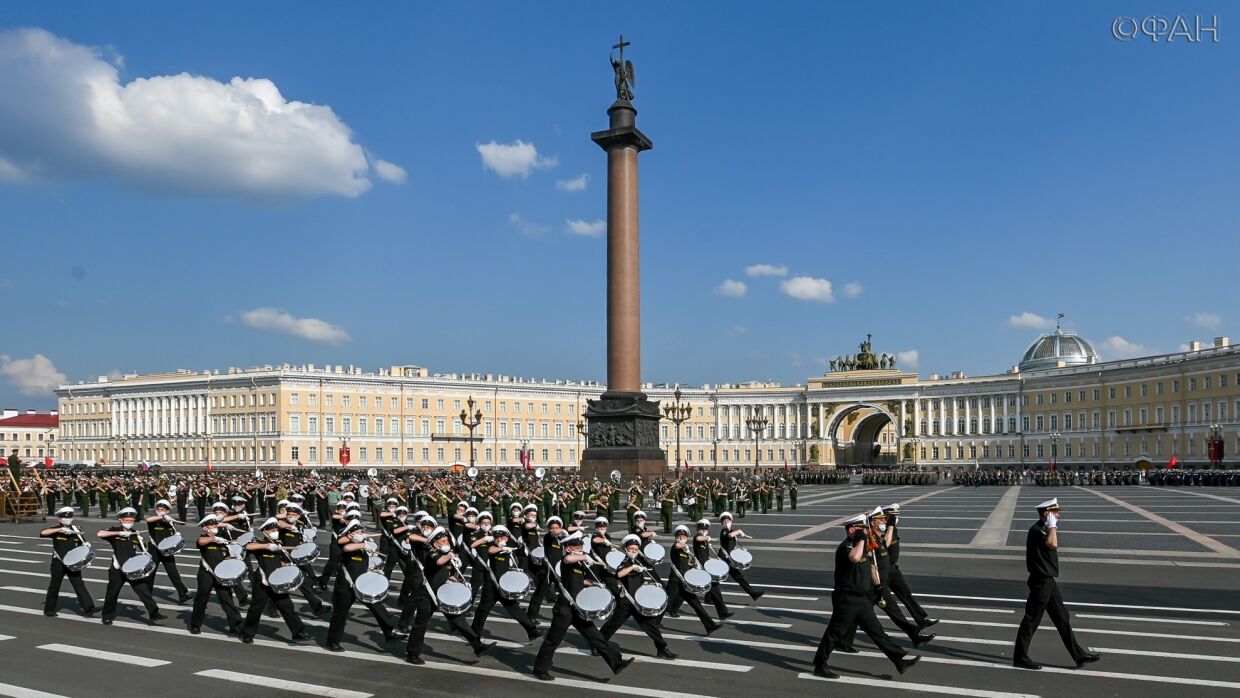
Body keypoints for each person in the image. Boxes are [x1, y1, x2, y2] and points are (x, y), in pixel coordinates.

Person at [812, 513, 919, 679]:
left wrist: (878, 587)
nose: (865, 531)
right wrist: (860, 540)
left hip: (861, 600)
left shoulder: (863, 546)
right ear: (852, 530)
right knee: (834, 633)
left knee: (877, 631)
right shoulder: (846, 547)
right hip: (846, 599)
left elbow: (871, 568)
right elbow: (854, 558)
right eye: (862, 529)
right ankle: (820, 664)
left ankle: (899, 660)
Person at [531, 531, 633, 681]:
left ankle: (616, 663)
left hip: (578, 608)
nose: (579, 548)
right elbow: (568, 559)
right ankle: (539, 669)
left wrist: (593, 583)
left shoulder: (578, 563)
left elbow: (579, 581)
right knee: (553, 640)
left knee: (596, 637)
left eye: (580, 546)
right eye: (576, 546)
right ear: (567, 548)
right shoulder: (566, 559)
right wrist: (584, 556)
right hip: (564, 609)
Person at [1013, 498, 1102, 670]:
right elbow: (1053, 544)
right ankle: (1020, 657)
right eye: (1055, 512)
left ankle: (1079, 656)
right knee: (1031, 620)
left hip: (1049, 582)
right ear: (1046, 513)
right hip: (1040, 582)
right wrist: (1052, 525)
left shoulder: (1045, 529)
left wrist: (1051, 525)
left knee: (1062, 618)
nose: (1059, 515)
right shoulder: (1037, 530)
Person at [325, 519, 403, 651]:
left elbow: (361, 566)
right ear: (349, 534)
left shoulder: (362, 547)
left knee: (377, 606)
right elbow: (346, 546)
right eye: (356, 532)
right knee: (340, 615)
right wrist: (362, 545)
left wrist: (372, 571)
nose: (360, 534)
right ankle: (332, 641)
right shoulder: (346, 545)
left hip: (361, 585)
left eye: (361, 532)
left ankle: (389, 633)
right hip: (345, 586)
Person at [238, 518, 314, 645]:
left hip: (278, 581)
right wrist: (267, 545)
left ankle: (298, 633)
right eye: (272, 530)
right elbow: (247, 546)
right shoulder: (260, 543)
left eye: (276, 530)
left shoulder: (280, 545)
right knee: (256, 609)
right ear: (265, 532)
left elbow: (286, 560)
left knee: (287, 607)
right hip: (262, 582)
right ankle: (247, 634)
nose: (275, 532)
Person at [421, 527, 495, 657]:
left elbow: (447, 574)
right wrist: (449, 554)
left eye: (447, 541)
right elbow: (438, 562)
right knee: (420, 624)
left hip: (443, 594)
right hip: (428, 594)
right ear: (435, 543)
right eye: (443, 541)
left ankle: (478, 646)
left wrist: (460, 582)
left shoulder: (447, 554)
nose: (447, 543)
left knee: (459, 620)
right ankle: (412, 653)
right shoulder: (432, 552)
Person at [600, 534, 676, 659]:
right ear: (625, 549)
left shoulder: (637, 561)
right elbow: (619, 574)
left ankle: (662, 649)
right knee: (613, 624)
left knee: (650, 625)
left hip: (638, 600)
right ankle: (598, 645)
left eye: (636, 549)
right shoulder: (624, 561)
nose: (633, 551)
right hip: (626, 600)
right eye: (631, 549)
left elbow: (641, 579)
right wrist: (632, 567)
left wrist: (652, 583)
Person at [471, 525, 542, 641]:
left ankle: (532, 631)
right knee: (482, 610)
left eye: (502, 537)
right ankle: (474, 635)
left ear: (507, 538)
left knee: (515, 610)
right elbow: (488, 550)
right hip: (491, 585)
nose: (499, 539)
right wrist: (499, 547)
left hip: (504, 585)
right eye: (497, 537)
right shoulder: (492, 546)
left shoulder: (509, 547)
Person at [96, 508, 165, 625]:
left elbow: (144, 549)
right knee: (112, 593)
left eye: (131, 519)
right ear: (120, 520)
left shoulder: (135, 533)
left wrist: (145, 549)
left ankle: (154, 613)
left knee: (143, 590)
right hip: (118, 567)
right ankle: (107, 616)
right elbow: (100, 533)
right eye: (126, 519)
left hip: (132, 568)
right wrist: (119, 533)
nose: (129, 521)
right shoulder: (115, 530)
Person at [881, 503, 936, 630]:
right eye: (893, 515)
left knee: (905, 594)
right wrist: (889, 526)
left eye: (897, 514)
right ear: (886, 515)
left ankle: (921, 619)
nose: (896, 517)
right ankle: (860, 621)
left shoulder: (893, 527)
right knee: (871, 599)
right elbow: (885, 545)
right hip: (882, 569)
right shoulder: (883, 529)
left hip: (892, 568)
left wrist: (892, 525)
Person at [188, 514, 243, 635]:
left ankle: (235, 625)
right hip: (206, 573)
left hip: (221, 574)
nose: (214, 526)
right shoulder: (203, 538)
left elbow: (227, 556)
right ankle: (195, 625)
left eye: (215, 524)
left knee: (227, 599)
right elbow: (201, 542)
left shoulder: (223, 539)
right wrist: (214, 538)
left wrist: (234, 556)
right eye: (211, 525)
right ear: (205, 528)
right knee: (201, 599)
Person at [41, 506, 98, 617]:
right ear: (59, 519)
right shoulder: (56, 530)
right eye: (64, 517)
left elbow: (82, 542)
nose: (67, 519)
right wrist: (60, 529)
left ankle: (89, 608)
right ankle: (49, 609)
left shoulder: (76, 530)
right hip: (59, 562)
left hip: (73, 563)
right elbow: (43, 533)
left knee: (79, 585)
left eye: (70, 517)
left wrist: (86, 545)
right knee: (55, 585)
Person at [664, 525, 722, 633]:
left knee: (697, 604)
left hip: (684, 582)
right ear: (676, 537)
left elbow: (685, 564)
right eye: (679, 536)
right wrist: (684, 545)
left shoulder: (686, 551)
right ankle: (652, 623)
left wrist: (693, 564)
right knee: (665, 604)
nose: (681, 538)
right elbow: (677, 545)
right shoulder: (676, 546)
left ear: (686, 537)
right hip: (675, 582)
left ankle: (710, 626)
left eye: (684, 536)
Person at [145, 499, 193, 605]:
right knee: (151, 572)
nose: (160, 511)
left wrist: (177, 537)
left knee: (173, 572)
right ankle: (146, 594)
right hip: (154, 550)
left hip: (166, 551)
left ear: (167, 511)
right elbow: (148, 520)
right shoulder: (154, 520)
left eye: (162, 510)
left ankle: (182, 594)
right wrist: (162, 517)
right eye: (158, 509)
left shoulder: (170, 522)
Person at [717, 512, 764, 602]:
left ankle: (753, 594)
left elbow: (731, 545)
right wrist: (739, 531)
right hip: (723, 558)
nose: (726, 522)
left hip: (728, 559)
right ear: (721, 523)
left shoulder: (731, 531)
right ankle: (753, 594)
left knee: (737, 577)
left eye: (728, 520)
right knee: (721, 578)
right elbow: (730, 536)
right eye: (724, 521)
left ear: (731, 521)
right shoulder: (724, 531)